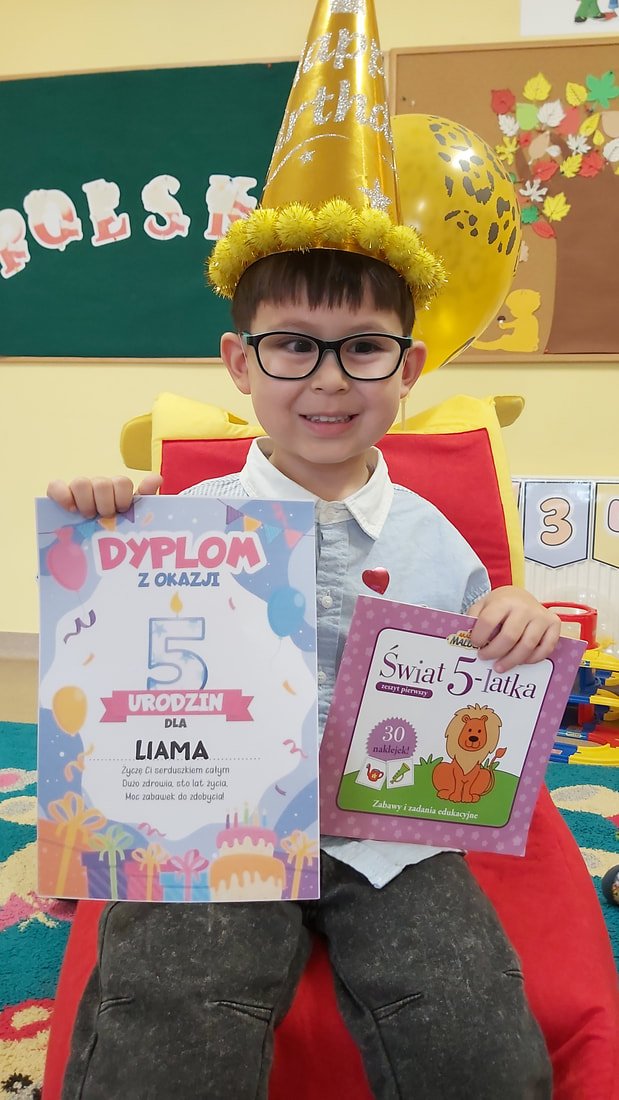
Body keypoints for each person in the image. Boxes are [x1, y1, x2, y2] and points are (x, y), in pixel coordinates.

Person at [45, 4, 559, 1096]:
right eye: (292, 346)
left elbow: (480, 669)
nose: (328, 378)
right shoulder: (174, 524)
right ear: (241, 362)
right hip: (216, 813)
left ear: (407, 368)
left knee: (469, 1018)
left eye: (363, 348)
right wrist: (101, 522)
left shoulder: (431, 536)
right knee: (168, 1006)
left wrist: (516, 618)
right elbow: (106, 668)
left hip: (388, 826)